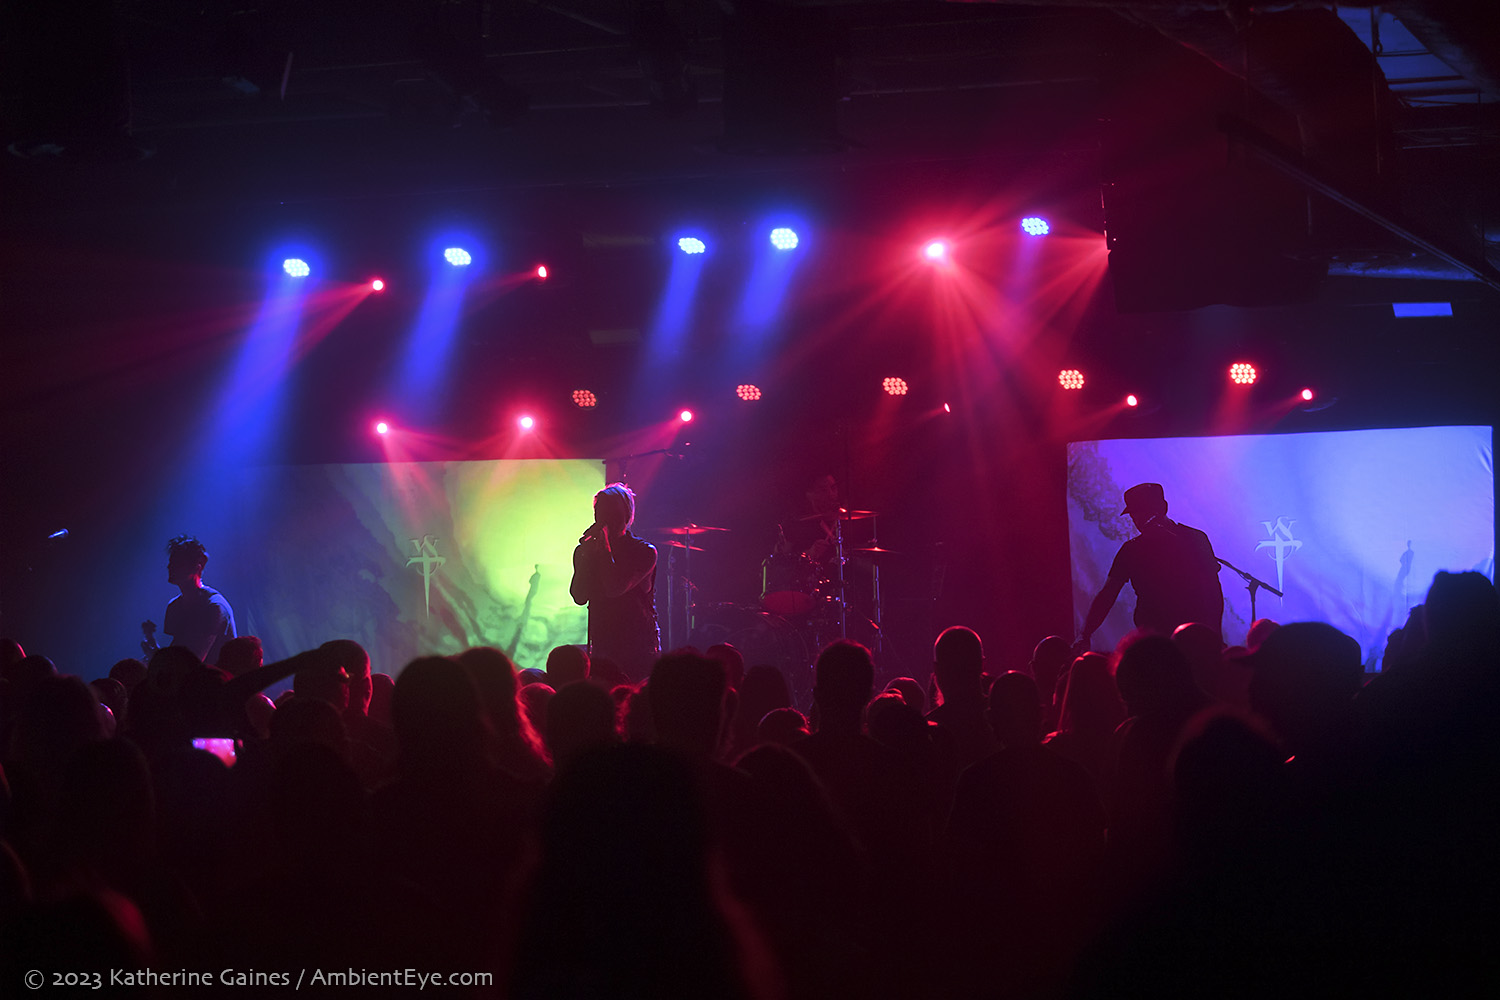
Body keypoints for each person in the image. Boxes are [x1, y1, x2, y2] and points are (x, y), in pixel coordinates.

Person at [1079, 483, 1223, 645]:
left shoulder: (1195, 538)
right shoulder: (1132, 549)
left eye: (1143, 512)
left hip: (1194, 640)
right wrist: (1086, 633)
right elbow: (1108, 594)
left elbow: (1213, 591)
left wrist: (1214, 635)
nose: (1138, 520)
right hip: (1155, 642)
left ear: (1163, 508)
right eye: (1134, 515)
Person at [570, 484, 660, 679]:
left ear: (626, 514)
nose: (604, 516)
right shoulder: (587, 551)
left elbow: (614, 588)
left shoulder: (643, 551)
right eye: (600, 510)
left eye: (611, 510)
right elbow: (578, 596)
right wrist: (585, 556)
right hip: (603, 641)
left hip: (637, 644)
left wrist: (604, 549)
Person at [156, 535, 236, 664]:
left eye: (177, 563)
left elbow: (195, 661)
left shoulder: (215, 606)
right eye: (171, 562)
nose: (169, 567)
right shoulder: (174, 606)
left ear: (197, 567)